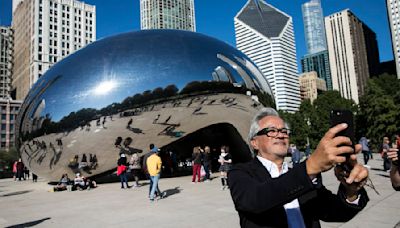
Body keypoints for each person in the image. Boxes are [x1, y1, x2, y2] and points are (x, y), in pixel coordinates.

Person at [228, 108, 369, 228]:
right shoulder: (240, 172)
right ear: (254, 142)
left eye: (284, 131)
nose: (281, 134)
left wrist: (351, 192)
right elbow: (255, 200)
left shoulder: (303, 176)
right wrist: (310, 166)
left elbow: (333, 212)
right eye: (271, 131)